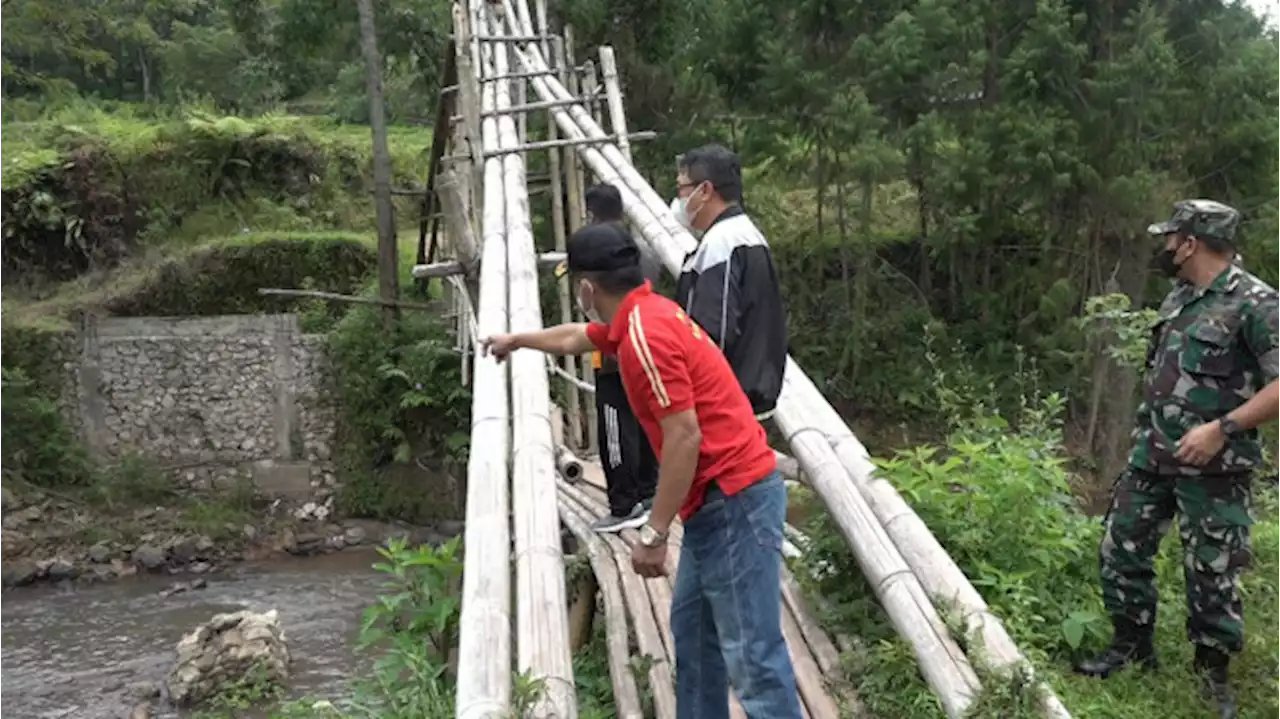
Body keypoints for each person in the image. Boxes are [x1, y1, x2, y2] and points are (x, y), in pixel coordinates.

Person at [483, 221, 802, 718]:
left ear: (586, 288)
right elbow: (578, 337)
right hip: (715, 503)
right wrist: (517, 339)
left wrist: (653, 534)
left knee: (752, 656)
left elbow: (684, 436)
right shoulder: (648, 313)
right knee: (696, 640)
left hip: (733, 500)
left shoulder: (644, 338)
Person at [1074, 199, 1280, 719]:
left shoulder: (1255, 302)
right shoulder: (1180, 296)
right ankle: (1131, 645)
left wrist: (1223, 427)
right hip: (1153, 456)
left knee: (1211, 569)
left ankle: (1212, 672)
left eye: (1171, 237)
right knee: (1120, 549)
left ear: (1191, 241)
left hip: (1216, 467)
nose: (1164, 246)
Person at [670, 144, 786, 421]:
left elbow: (712, 335)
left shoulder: (721, 244)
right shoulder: (748, 234)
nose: (679, 200)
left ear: (705, 190)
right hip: (753, 394)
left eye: (682, 190)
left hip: (727, 406)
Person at [579, 183, 659, 533]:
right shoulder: (643, 250)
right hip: (644, 347)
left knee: (614, 430)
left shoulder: (596, 255)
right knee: (644, 421)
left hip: (612, 354)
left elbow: (597, 312)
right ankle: (649, 492)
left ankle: (623, 505)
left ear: (592, 211)